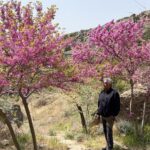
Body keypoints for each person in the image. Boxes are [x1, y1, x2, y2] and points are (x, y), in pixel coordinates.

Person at [96, 77, 120, 150]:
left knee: (109, 132)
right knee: (105, 131)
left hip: (110, 116)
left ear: (110, 84)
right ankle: (108, 145)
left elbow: (117, 105)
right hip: (103, 116)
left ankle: (110, 147)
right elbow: (99, 103)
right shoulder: (102, 92)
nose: (104, 84)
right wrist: (98, 113)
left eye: (106, 83)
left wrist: (114, 115)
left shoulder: (114, 93)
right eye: (104, 83)